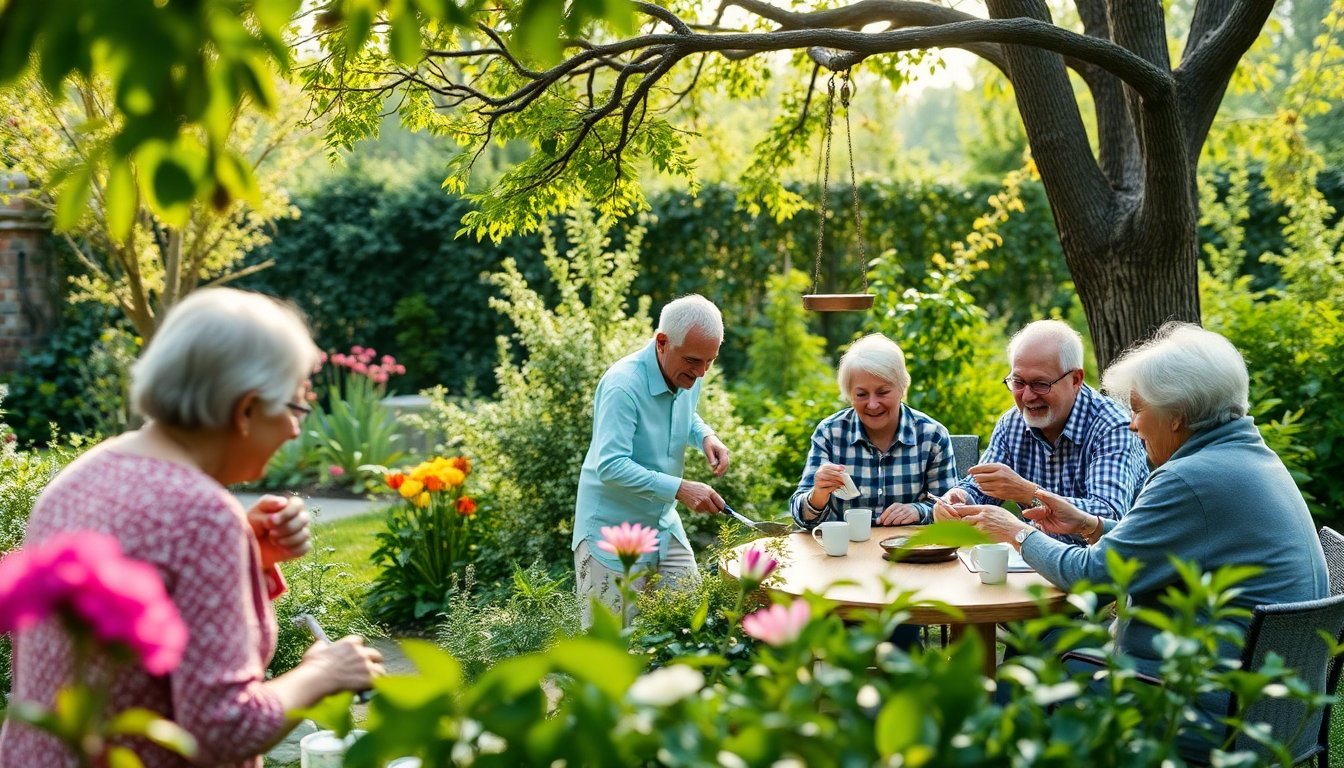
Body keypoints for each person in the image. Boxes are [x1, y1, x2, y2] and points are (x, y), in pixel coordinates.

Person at [0, 289, 384, 768]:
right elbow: (223, 728)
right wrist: (321, 673)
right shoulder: (202, 515)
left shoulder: (82, 475)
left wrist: (251, 558)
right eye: (295, 407)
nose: (294, 431)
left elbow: (156, 606)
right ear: (245, 411)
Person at [958, 323, 1328, 753]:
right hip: (1275, 710)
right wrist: (1088, 524)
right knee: (1049, 643)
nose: (1132, 425)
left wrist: (1015, 531)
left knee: (1029, 673)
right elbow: (1156, 545)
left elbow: (1093, 574)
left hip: (1207, 709)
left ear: (1177, 415)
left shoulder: (1189, 477)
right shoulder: (1245, 456)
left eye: (1138, 409)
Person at [572, 294, 731, 626]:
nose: (701, 373)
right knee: (608, 650)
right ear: (662, 342)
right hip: (610, 533)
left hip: (661, 525)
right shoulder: (622, 386)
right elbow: (611, 465)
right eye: (693, 361)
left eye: (710, 361)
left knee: (689, 625)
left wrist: (706, 435)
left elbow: (684, 414)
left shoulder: (687, 372)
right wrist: (681, 489)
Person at [941, 319, 1147, 544]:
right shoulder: (1012, 423)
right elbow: (980, 486)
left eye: (1041, 384)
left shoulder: (1112, 426)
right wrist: (958, 499)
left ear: (1075, 379)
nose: (1027, 396)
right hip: (1037, 563)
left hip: (1106, 570)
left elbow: (1107, 517)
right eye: (1018, 382)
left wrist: (1029, 493)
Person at [791, 333, 957, 529]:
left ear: (902, 386)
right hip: (846, 554)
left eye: (883, 392)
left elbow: (951, 510)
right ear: (849, 395)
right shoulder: (829, 434)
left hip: (909, 553)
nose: (872, 404)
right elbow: (802, 517)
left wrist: (918, 511)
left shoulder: (932, 436)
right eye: (861, 394)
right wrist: (817, 495)